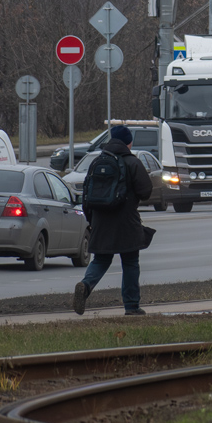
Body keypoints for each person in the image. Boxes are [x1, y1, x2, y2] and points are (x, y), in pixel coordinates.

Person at [73, 125, 153, 316]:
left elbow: (86, 195)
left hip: (101, 221)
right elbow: (146, 191)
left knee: (100, 260)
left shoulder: (97, 162)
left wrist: (92, 220)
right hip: (127, 222)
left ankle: (85, 285)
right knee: (131, 262)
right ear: (129, 142)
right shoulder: (132, 162)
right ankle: (132, 306)